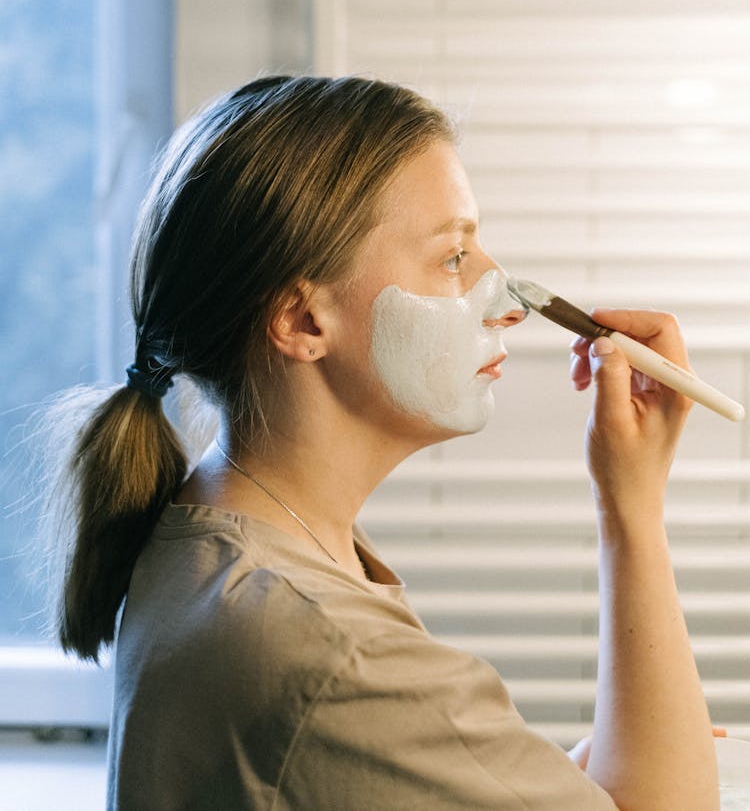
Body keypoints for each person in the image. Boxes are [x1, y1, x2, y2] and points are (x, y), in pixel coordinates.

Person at [44, 75, 719, 810]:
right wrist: (632, 506)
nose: (508, 298)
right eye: (454, 257)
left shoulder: (217, 535)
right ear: (303, 321)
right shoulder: (331, 652)